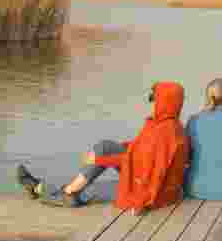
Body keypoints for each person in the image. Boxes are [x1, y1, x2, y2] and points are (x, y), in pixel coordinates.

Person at [17, 81, 190, 213]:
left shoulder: (164, 132)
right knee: (106, 147)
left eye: (156, 100)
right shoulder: (173, 127)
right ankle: (60, 190)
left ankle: (54, 191)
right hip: (162, 188)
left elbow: (138, 161)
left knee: (102, 151)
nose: (154, 104)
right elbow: (142, 152)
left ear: (165, 102)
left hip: (150, 188)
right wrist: (125, 147)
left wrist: (100, 160)